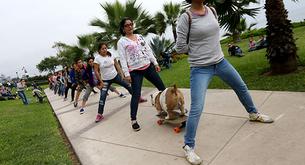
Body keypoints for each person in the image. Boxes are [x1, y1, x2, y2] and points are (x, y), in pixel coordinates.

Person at [175, 0, 274, 164]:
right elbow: (179, 48)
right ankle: (188, 146)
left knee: (240, 86)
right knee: (197, 107)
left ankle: (253, 113)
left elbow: (213, 35)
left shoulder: (212, 10)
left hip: (221, 62)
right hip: (200, 68)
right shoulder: (186, 18)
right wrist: (197, 48)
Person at [117, 17, 166, 131]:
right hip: (135, 72)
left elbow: (148, 50)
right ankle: (133, 120)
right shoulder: (122, 42)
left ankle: (167, 110)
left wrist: (155, 62)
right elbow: (123, 59)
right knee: (136, 95)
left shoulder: (139, 36)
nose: (130, 26)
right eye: (127, 25)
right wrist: (126, 74)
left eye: (131, 24)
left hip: (148, 67)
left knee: (162, 88)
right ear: (123, 28)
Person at [93, 43, 133, 123]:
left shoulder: (111, 55)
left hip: (115, 76)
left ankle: (137, 98)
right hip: (105, 80)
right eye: (102, 49)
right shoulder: (97, 59)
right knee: (102, 96)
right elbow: (96, 71)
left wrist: (122, 75)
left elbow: (117, 65)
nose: (105, 50)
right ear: (99, 50)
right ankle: (99, 114)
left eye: (105, 48)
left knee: (128, 86)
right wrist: (101, 82)